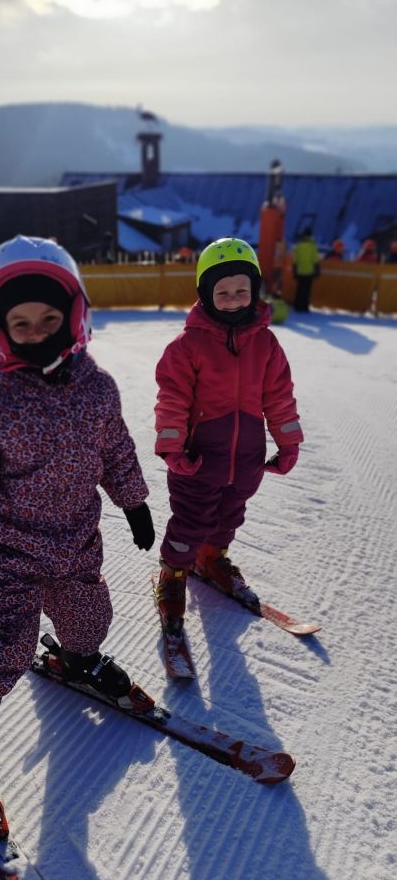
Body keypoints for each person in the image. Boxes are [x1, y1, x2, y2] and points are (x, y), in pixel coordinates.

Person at [0, 235, 155, 837]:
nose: (36, 333)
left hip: (76, 543)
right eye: (21, 323)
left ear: (76, 316)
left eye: (50, 319)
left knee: (90, 614)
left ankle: (76, 658)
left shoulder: (99, 389)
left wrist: (134, 501)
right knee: (2, 645)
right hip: (6, 555)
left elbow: (116, 449)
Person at [153, 237, 303, 630]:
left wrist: (288, 441)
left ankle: (210, 557)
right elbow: (172, 399)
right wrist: (172, 447)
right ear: (205, 294)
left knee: (229, 516)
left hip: (247, 458)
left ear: (255, 291)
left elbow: (279, 397)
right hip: (198, 459)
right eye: (223, 292)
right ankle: (174, 573)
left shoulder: (266, 344)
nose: (234, 300)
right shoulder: (187, 346)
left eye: (242, 290)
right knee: (190, 520)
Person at [292, 227, 321, 312]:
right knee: (307, 291)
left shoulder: (299, 245)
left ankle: (297, 306)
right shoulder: (313, 246)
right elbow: (315, 259)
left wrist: (295, 270)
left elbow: (295, 259)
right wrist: (317, 270)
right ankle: (304, 307)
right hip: (309, 272)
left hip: (300, 271)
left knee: (299, 289)